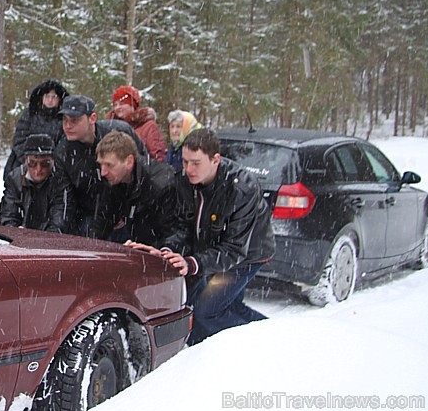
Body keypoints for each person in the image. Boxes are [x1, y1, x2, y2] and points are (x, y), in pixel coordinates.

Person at [126, 128, 275, 345]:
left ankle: (259, 345)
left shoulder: (241, 188)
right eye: (185, 162)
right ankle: (271, 335)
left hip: (249, 254)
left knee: (207, 311)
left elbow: (235, 249)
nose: (188, 169)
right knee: (221, 306)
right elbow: (183, 227)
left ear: (215, 159)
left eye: (196, 163)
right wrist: (168, 250)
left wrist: (193, 263)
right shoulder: (186, 183)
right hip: (213, 248)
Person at [47, 94, 147, 235]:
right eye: (65, 120)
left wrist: (129, 211)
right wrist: (55, 231)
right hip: (88, 215)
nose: (68, 126)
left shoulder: (121, 132)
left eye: (74, 120)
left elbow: (143, 172)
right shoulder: (63, 152)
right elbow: (63, 199)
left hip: (128, 211)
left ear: (92, 118)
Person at [90, 131, 176, 246]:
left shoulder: (160, 185)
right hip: (138, 240)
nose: (103, 172)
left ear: (129, 162)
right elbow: (102, 221)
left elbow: (173, 235)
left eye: (109, 165)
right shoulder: (115, 179)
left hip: (160, 247)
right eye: (100, 165)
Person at [3, 79, 69, 179]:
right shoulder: (30, 113)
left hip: (54, 166)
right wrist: (30, 162)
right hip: (25, 163)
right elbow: (19, 139)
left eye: (54, 97)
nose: (50, 100)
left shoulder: (64, 118)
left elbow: (65, 143)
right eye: (47, 96)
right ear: (42, 97)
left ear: (59, 99)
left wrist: (51, 163)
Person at [0, 133, 56, 230]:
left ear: (53, 161)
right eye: (32, 163)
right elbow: (8, 215)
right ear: (25, 160)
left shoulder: (60, 180)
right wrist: (14, 230)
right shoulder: (15, 179)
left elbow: (59, 220)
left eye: (45, 163)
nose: (38, 169)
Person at [107, 85, 166, 161]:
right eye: (115, 105)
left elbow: (157, 155)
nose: (118, 107)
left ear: (132, 105)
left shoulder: (148, 126)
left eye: (122, 104)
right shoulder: (111, 126)